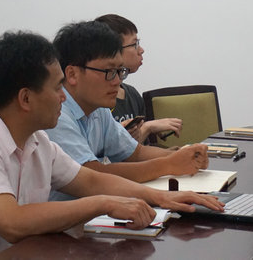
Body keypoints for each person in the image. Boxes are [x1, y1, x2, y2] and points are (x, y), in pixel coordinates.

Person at [0, 31, 222, 259]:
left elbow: (91, 180)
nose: (63, 97)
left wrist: (162, 197)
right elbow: (12, 222)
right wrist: (103, 203)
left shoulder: (36, 139)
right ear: (25, 98)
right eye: (58, 87)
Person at [45, 21, 209, 194]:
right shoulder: (56, 114)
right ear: (72, 74)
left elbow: (135, 153)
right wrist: (168, 164)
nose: (117, 81)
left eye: (120, 71)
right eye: (109, 72)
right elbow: (92, 175)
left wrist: (187, 155)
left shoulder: (98, 108)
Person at [95, 14, 182, 143]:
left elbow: (140, 149)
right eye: (134, 44)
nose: (141, 50)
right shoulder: (96, 101)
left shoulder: (132, 94)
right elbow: (112, 150)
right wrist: (147, 128)